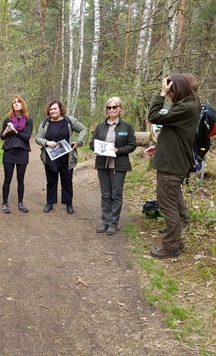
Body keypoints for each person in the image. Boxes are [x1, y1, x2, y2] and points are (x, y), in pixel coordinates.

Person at [145, 73, 200, 259]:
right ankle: (177, 233)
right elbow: (175, 134)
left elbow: (153, 116)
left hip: (171, 167)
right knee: (173, 200)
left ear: (178, 88)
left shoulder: (187, 107)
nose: (169, 94)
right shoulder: (186, 106)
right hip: (172, 161)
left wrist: (161, 93)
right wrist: (159, 147)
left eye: (171, 90)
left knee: (167, 205)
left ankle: (171, 247)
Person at [89, 97, 136, 235]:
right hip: (102, 164)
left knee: (116, 194)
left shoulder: (127, 127)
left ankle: (113, 223)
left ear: (120, 108)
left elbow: (132, 145)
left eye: (114, 107)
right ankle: (105, 221)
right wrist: (99, 148)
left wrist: (118, 151)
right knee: (105, 194)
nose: (111, 110)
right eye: (109, 107)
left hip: (119, 165)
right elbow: (92, 143)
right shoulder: (100, 126)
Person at [36, 100, 87, 215]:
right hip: (50, 158)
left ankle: (68, 204)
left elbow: (83, 129)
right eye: (51, 109)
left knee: (67, 181)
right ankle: (50, 203)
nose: (53, 111)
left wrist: (78, 142)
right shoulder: (45, 123)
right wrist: (46, 142)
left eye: (55, 109)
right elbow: (38, 138)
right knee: (51, 181)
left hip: (67, 158)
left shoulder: (69, 121)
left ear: (60, 109)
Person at [0, 96, 33, 213]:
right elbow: (2, 137)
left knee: (20, 179)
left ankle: (20, 203)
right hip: (9, 151)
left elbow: (27, 137)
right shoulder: (7, 120)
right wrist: (6, 131)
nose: (16, 104)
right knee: (7, 179)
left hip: (22, 152)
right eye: (14, 103)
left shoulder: (28, 120)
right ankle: (5, 203)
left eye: (18, 102)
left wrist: (15, 130)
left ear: (22, 104)